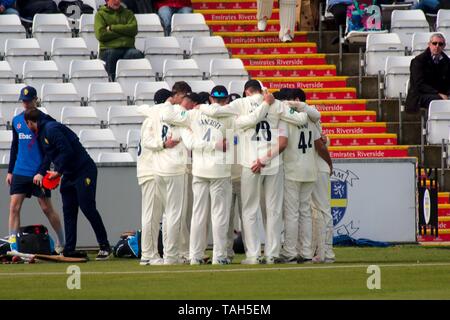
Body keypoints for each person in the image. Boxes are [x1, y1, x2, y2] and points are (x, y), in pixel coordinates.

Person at [200, 80, 309, 264]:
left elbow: (215, 110)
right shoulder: (275, 103)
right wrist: (293, 104)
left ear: (246, 91)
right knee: (273, 210)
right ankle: (272, 254)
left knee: (250, 210)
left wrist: (200, 107)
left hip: (250, 163)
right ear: (261, 90)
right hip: (273, 162)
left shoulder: (240, 104)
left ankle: (253, 255)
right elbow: (301, 119)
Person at [23, 108, 112, 260]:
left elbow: (67, 151)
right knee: (69, 211)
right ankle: (69, 249)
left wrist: (58, 172)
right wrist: (43, 174)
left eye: (27, 124)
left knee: (87, 208)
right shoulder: (42, 133)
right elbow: (49, 156)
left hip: (84, 170)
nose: (28, 127)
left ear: (30, 122)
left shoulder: (51, 129)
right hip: (69, 174)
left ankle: (105, 247)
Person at [161, 85, 235, 265]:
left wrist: (170, 100)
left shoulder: (193, 114)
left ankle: (195, 256)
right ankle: (219, 256)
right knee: (219, 214)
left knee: (198, 214)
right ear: (225, 100)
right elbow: (230, 145)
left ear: (210, 98)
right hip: (220, 170)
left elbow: (166, 116)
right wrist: (214, 145)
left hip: (200, 169)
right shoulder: (228, 115)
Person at [6, 86, 65, 253]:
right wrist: (10, 171)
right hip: (20, 171)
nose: (25, 104)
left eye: (28, 100)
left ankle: (62, 242)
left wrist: (41, 171)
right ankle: (13, 245)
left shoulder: (46, 121)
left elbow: (49, 151)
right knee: (14, 207)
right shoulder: (17, 121)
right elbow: (15, 146)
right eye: (23, 101)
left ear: (35, 100)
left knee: (47, 208)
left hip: (38, 172)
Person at [136, 88, 172, 266]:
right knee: (151, 214)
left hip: (152, 170)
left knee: (156, 214)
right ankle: (148, 255)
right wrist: (164, 144)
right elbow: (149, 143)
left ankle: (156, 253)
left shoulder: (151, 116)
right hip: (150, 171)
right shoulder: (152, 119)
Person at [94, 0, 144, 81]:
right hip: (109, 49)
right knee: (113, 54)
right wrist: (124, 33)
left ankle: (133, 82)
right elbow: (101, 34)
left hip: (128, 48)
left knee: (136, 54)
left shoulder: (128, 13)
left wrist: (112, 28)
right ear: (107, 1)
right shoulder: (100, 15)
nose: (116, 1)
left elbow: (134, 30)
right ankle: (112, 81)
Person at [405, 33, 450, 113]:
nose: (437, 46)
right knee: (438, 100)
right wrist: (438, 93)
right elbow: (419, 84)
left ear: (444, 46)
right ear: (429, 44)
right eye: (434, 43)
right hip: (420, 95)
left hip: (440, 93)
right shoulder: (418, 61)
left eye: (440, 44)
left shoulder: (447, 62)